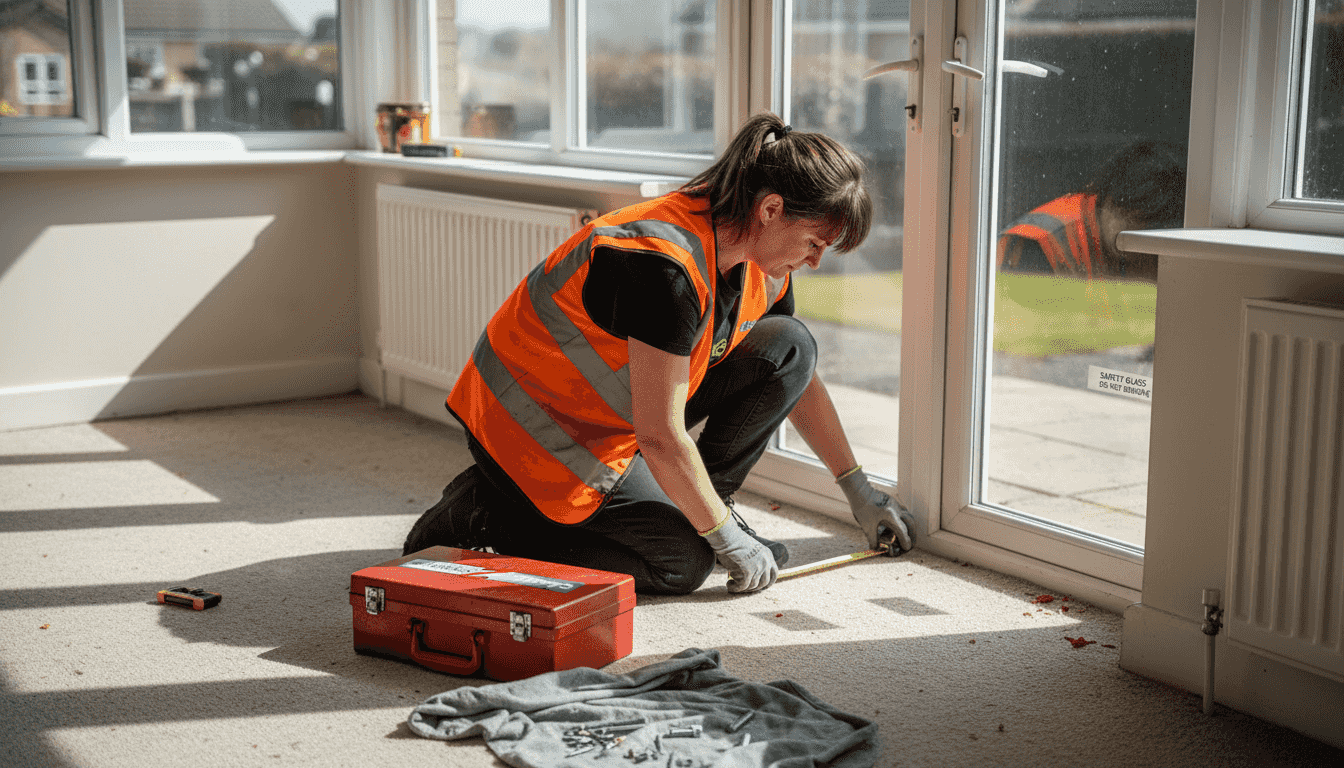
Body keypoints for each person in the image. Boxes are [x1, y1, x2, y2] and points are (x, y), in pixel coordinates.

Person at [404, 112, 914, 595]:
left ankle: (706, 503)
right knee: (684, 564)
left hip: (613, 417)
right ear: (772, 209)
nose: (817, 262)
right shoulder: (662, 270)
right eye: (813, 243)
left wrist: (858, 493)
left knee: (791, 346)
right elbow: (661, 435)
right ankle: (487, 517)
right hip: (534, 432)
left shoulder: (757, 258)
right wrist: (723, 540)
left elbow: (799, 382)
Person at [997, 140, 1186, 282]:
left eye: (1152, 223)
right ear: (1112, 202)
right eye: (1138, 218)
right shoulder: (1042, 242)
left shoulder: (1128, 246)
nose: (1141, 234)